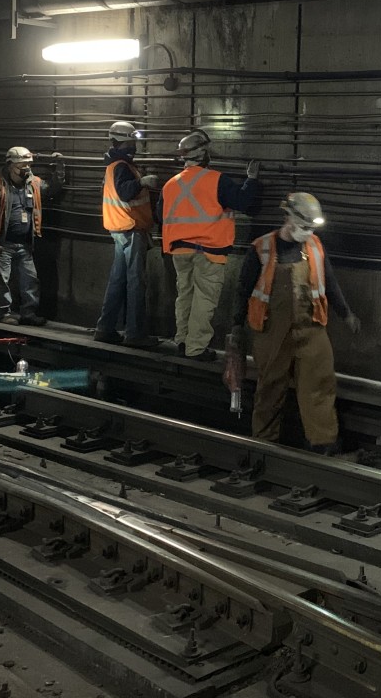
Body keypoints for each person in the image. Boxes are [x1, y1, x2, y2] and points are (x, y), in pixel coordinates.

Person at [231, 192, 360, 454]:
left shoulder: (314, 246)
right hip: (271, 330)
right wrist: (235, 325)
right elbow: (243, 289)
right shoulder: (262, 248)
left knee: (319, 385)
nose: (307, 232)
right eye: (304, 227)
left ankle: (323, 441)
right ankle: (264, 441)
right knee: (270, 386)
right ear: (287, 218)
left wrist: (346, 313)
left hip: (311, 328)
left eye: (311, 228)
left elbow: (330, 283)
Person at [159, 128, 262, 361]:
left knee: (184, 296)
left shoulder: (170, 185)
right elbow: (243, 202)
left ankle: (183, 341)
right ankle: (196, 348)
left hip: (179, 250)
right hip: (209, 250)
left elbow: (160, 215)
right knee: (204, 299)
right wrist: (252, 180)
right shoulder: (217, 180)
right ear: (204, 154)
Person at [94, 121, 160, 347]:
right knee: (135, 282)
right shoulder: (121, 166)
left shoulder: (113, 165)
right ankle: (135, 334)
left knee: (118, 280)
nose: (134, 145)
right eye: (131, 141)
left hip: (121, 229)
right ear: (122, 141)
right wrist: (142, 182)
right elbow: (124, 193)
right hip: (130, 229)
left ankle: (105, 328)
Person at [0, 146, 64, 326]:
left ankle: (28, 313)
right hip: (4, 244)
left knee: (30, 280)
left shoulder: (33, 183)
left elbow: (52, 189)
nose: (27, 169)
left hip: (25, 244)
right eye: (23, 166)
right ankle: (3, 313)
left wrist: (59, 167)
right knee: (1, 280)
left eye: (28, 165)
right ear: (11, 165)